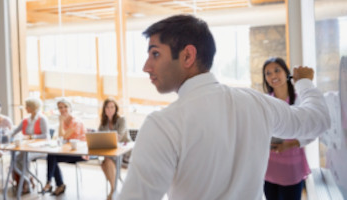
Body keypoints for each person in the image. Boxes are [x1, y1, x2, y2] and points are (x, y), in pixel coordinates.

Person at [118, 15, 330, 200]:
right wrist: (304, 82)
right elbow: (318, 120)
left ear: (187, 56)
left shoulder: (163, 125)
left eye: (155, 53)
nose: (146, 66)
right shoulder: (257, 103)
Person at [262, 57, 314, 200]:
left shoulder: (300, 100)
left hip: (291, 169)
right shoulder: (265, 102)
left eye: (277, 71)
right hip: (268, 167)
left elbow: (312, 131)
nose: (273, 76)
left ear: (286, 73)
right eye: (268, 73)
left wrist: (290, 144)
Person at [42, 98, 87, 196]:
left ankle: (55, 184)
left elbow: (64, 136)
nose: (63, 109)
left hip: (79, 153)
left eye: (65, 107)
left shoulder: (76, 121)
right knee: (51, 156)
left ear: (70, 108)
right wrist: (61, 123)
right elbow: (61, 138)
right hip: (68, 151)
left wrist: (60, 123)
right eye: (60, 108)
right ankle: (53, 183)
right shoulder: (63, 121)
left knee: (51, 157)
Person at [11, 97, 49, 193]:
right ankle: (26, 179)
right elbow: (14, 131)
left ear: (33, 107)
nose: (25, 108)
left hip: (40, 148)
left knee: (24, 157)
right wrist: (5, 135)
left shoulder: (42, 119)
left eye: (27, 106)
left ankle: (25, 184)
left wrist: (32, 136)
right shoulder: (25, 120)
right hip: (27, 148)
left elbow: (46, 135)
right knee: (14, 159)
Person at [98, 98, 130, 200]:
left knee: (106, 162)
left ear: (116, 109)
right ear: (104, 110)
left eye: (112, 107)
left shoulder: (122, 120)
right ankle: (114, 189)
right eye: (107, 107)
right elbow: (99, 136)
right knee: (104, 163)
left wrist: (105, 139)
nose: (110, 109)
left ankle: (113, 191)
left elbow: (118, 137)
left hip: (124, 152)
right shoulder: (103, 123)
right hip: (111, 151)